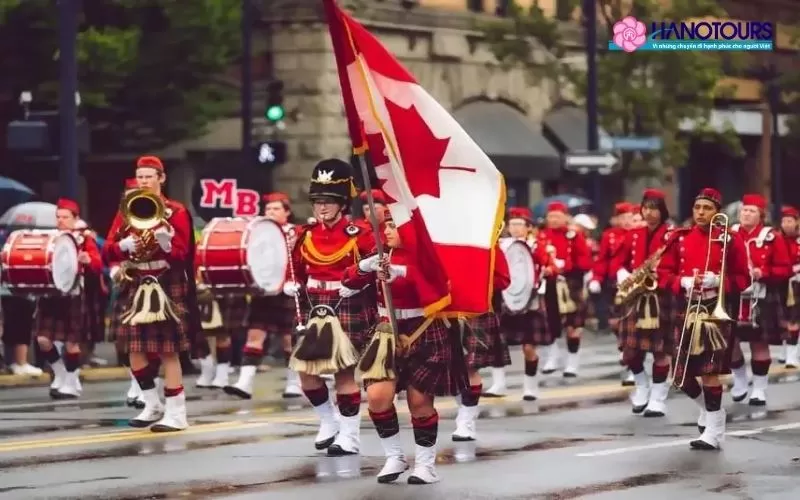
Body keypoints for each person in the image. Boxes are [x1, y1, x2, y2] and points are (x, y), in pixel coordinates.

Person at [343, 210, 467, 484]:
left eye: (393, 226)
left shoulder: (426, 254)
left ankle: (425, 466)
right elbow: (348, 281)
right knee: (377, 397)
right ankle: (395, 456)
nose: (386, 231)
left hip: (423, 331)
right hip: (386, 331)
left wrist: (399, 272)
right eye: (385, 225)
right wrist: (366, 267)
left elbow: (436, 288)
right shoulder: (381, 252)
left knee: (419, 402)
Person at [286, 158, 376, 455]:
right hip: (315, 306)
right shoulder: (305, 235)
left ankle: (350, 436)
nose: (321, 208)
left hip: (345, 304)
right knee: (306, 372)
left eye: (328, 202)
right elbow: (297, 269)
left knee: (344, 374)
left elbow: (375, 269)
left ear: (341, 204)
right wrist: (292, 283)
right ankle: (328, 420)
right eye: (317, 202)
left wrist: (359, 278)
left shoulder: (359, 234)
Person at [103, 155, 195, 432]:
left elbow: (184, 253)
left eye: (148, 176)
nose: (143, 180)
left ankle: (177, 412)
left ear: (161, 178)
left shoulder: (175, 211)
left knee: (168, 350)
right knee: (133, 348)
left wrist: (167, 244)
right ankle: (152, 403)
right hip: (137, 280)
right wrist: (124, 247)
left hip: (166, 281)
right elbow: (108, 247)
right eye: (140, 176)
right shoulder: (126, 210)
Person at [656, 187, 749, 450]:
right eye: (697, 208)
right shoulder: (679, 238)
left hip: (715, 311)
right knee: (681, 377)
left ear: (717, 212)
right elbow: (662, 275)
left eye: (707, 208)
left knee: (710, 372)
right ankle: (711, 413)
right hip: (686, 308)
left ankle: (714, 431)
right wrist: (683, 281)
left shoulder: (730, 239)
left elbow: (744, 279)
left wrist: (718, 281)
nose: (700, 213)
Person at [224, 192, 303, 399]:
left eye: (276, 209)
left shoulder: (296, 233)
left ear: (287, 212)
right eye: (268, 209)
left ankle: (294, 383)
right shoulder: (258, 233)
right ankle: (245, 382)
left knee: (289, 340)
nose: (271, 212)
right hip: (264, 291)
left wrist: (295, 282)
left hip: (286, 291)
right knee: (254, 335)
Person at [609, 189, 675, 416]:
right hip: (635, 297)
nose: (648, 212)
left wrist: (663, 274)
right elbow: (617, 260)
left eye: (653, 208)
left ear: (662, 210)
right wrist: (620, 273)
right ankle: (642, 385)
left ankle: (658, 397)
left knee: (659, 351)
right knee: (630, 351)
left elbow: (678, 264)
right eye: (645, 208)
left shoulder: (672, 234)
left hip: (660, 297)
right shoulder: (634, 234)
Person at [33, 198, 103, 399]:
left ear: (76, 218)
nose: (61, 220)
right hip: (51, 294)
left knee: (72, 343)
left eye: (65, 217)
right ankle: (61, 373)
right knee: (43, 340)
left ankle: (71, 382)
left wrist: (88, 261)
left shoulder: (84, 239)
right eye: (58, 217)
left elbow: (97, 266)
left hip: (74, 295)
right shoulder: (51, 238)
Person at [727, 194, 791, 407]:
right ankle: (740, 379)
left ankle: (760, 388)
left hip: (761, 295)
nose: (746, 213)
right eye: (744, 210)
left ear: (761, 215)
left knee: (759, 342)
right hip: (733, 294)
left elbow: (784, 269)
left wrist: (762, 271)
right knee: (730, 341)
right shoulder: (730, 234)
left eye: (751, 211)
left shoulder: (773, 237)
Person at [450, 239, 510, 439]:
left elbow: (503, 280)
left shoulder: (489, 243)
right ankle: (465, 411)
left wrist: (477, 278)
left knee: (469, 367)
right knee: (450, 367)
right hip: (444, 309)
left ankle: (466, 420)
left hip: (475, 309)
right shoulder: (441, 239)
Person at [538, 202, 592, 376]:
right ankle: (553, 357)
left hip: (571, 284)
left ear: (565, 217)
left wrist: (566, 265)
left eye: (557, 216)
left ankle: (572, 362)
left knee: (572, 326)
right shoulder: (542, 236)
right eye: (551, 216)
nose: (553, 220)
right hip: (549, 284)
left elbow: (585, 262)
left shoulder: (574, 236)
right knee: (550, 323)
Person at [588, 202, 634, 383]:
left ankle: (632, 364)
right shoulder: (609, 235)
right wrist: (596, 278)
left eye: (629, 217)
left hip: (634, 283)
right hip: (613, 284)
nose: (626, 221)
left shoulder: (638, 234)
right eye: (622, 217)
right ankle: (625, 350)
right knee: (615, 323)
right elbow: (602, 260)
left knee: (630, 326)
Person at [778, 205, 800, 367]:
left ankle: (792, 356)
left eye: (790, 221)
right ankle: (785, 352)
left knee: (795, 317)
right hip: (782, 282)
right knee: (783, 317)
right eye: (784, 221)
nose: (786, 224)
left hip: (797, 283)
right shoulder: (777, 240)